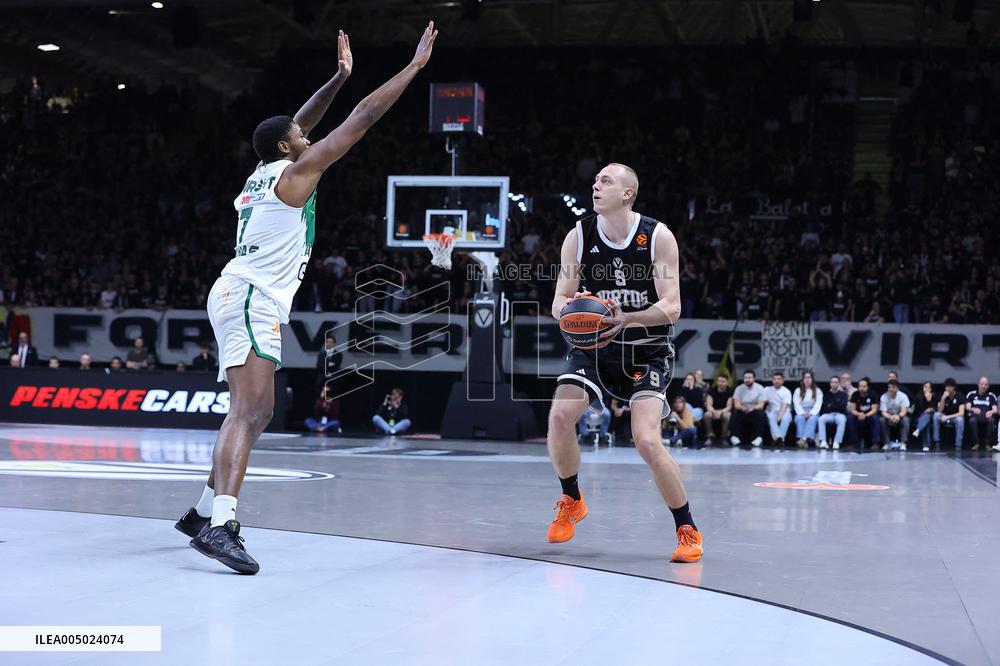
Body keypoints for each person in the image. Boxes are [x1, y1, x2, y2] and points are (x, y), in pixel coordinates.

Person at [176, 24, 438, 575]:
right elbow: (361, 120)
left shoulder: (264, 170)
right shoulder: (295, 172)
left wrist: (339, 76)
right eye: (300, 135)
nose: (307, 136)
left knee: (259, 410)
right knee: (246, 411)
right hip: (250, 296)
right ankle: (222, 526)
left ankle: (201, 513)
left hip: (245, 293)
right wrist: (413, 69)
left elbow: (300, 121)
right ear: (287, 147)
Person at [546, 162, 702, 563]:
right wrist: (575, 308)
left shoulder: (657, 236)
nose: (595, 185)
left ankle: (687, 529)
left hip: (646, 347)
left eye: (605, 181)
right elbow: (558, 301)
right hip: (595, 345)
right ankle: (571, 499)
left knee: (646, 440)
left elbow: (673, 306)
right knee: (561, 417)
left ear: (627, 193)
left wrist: (627, 317)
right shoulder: (578, 237)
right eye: (595, 180)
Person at [730, 370, 767, 447]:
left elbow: (761, 405)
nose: (747, 379)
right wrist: (742, 408)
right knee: (735, 412)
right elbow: (736, 404)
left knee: (760, 413)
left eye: (749, 378)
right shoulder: (739, 388)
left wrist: (752, 408)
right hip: (742, 409)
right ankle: (734, 437)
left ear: (754, 379)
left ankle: (759, 437)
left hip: (754, 409)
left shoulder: (760, 388)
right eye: (745, 378)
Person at [965, 376, 998, 451]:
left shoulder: (991, 396)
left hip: (986, 416)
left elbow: (995, 409)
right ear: (978, 385)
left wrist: (991, 411)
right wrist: (973, 409)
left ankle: (988, 444)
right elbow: (967, 407)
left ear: (988, 386)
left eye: (986, 384)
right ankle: (976, 443)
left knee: (991, 421)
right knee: (972, 421)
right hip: (975, 416)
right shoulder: (972, 394)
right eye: (982, 384)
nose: (984, 386)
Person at [793, 370, 823, 448]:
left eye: (809, 377)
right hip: (801, 411)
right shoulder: (798, 390)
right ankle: (802, 440)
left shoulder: (817, 391)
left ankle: (804, 438)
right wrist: (803, 413)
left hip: (813, 412)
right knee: (799, 418)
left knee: (812, 419)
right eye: (805, 378)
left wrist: (811, 413)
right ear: (802, 380)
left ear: (812, 379)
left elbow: (818, 404)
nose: (807, 379)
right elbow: (796, 404)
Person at [848, 377, 881, 449]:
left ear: (868, 387)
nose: (861, 388)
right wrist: (859, 414)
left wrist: (865, 415)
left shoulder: (873, 394)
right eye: (860, 386)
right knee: (850, 418)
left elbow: (874, 409)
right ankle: (854, 443)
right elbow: (852, 409)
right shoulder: (855, 394)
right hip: (858, 415)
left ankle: (876, 443)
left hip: (869, 415)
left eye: (864, 386)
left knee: (875, 418)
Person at [879, 379, 911, 451]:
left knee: (906, 420)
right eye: (889, 387)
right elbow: (883, 412)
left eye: (893, 387)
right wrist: (890, 417)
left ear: (897, 388)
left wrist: (898, 416)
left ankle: (903, 443)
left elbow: (904, 411)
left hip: (900, 416)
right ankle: (886, 443)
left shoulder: (903, 396)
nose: (891, 389)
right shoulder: (884, 397)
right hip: (889, 416)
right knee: (881, 420)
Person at [817, 375, 848, 450]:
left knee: (842, 420)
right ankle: (823, 441)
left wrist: (831, 406)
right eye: (832, 382)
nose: (834, 384)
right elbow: (824, 407)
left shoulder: (843, 395)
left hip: (840, 414)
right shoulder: (826, 395)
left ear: (839, 384)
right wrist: (835, 406)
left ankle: (837, 442)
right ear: (830, 384)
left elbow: (842, 407)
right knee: (821, 419)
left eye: (836, 382)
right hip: (829, 414)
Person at [703, 374, 733, 447]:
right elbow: (709, 405)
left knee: (728, 416)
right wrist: (713, 411)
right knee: (707, 415)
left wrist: (721, 412)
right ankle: (710, 436)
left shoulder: (730, 391)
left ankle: (724, 437)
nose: (720, 383)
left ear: (727, 382)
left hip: (724, 411)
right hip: (713, 410)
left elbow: (729, 406)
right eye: (719, 381)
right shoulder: (712, 390)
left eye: (723, 381)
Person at [764, 372, 792, 446]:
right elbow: (763, 401)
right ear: (772, 380)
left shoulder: (786, 391)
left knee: (786, 418)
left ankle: (776, 439)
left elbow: (784, 406)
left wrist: (779, 416)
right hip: (771, 410)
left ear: (782, 381)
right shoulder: (767, 389)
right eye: (775, 379)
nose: (777, 381)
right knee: (770, 417)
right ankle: (780, 438)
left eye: (779, 379)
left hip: (784, 411)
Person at [937, 378, 966, 449]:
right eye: (947, 387)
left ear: (954, 387)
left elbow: (961, 413)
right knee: (936, 415)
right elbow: (940, 411)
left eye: (950, 387)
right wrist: (943, 398)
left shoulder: (960, 396)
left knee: (960, 420)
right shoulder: (942, 395)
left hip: (954, 417)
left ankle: (958, 445)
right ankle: (936, 442)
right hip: (944, 416)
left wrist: (947, 417)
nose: (948, 388)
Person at [912, 381, 939, 452]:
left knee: (927, 416)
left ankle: (918, 430)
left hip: (931, 416)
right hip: (919, 417)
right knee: (926, 422)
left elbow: (936, 409)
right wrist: (925, 411)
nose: (926, 389)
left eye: (928, 387)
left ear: (931, 389)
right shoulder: (918, 396)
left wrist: (929, 401)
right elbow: (917, 411)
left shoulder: (934, 396)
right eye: (925, 387)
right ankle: (926, 445)